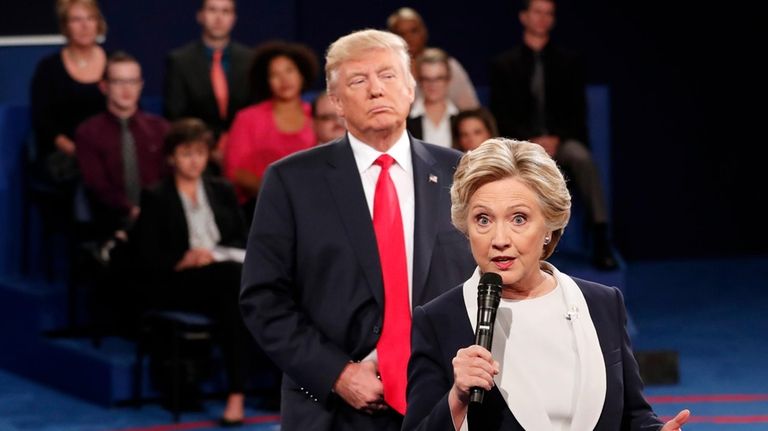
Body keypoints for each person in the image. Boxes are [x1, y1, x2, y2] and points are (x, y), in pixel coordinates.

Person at [239, 29, 475, 431]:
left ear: (410, 87)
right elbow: (264, 299)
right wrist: (337, 374)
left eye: (387, 75)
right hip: (332, 410)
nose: (376, 90)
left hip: (447, 404)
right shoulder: (291, 181)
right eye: (358, 81)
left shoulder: (463, 174)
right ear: (335, 102)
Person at [402, 138, 691, 431]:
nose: (500, 239)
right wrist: (456, 398)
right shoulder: (439, 320)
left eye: (518, 219)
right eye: (483, 219)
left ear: (549, 226)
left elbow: (633, 416)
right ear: (467, 228)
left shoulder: (602, 304)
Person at [131, 118, 252, 426]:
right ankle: (239, 393)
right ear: (172, 158)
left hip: (222, 277)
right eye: (186, 153)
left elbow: (241, 239)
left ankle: (237, 394)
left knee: (230, 294)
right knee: (233, 284)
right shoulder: (156, 196)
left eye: (200, 152)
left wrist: (212, 254)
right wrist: (185, 258)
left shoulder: (222, 190)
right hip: (178, 281)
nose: (194, 160)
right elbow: (146, 257)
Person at [490, 0, 618, 270]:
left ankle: (601, 237)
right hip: (521, 143)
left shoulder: (569, 62)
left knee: (582, 159)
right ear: (524, 16)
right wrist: (531, 141)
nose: (543, 18)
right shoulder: (503, 64)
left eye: (549, 13)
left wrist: (555, 138)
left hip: (562, 140)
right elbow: (501, 115)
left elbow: (577, 111)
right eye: (537, 12)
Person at [75, 51, 169, 245]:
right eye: (118, 82)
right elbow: (98, 186)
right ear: (104, 86)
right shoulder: (88, 132)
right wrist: (130, 210)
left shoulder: (161, 129)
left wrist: (152, 212)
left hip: (159, 220)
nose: (127, 89)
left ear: (141, 85)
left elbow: (169, 178)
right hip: (111, 222)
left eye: (133, 81)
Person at [29, 0, 107, 227]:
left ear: (98, 24)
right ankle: (89, 242)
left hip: (109, 152)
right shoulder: (49, 69)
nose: (84, 26)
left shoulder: (115, 64)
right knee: (88, 173)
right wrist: (75, 149)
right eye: (76, 20)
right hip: (66, 155)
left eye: (90, 19)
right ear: (65, 26)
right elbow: (43, 120)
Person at [223, 40, 318, 216]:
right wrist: (276, 195)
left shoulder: (317, 116)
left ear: (301, 74)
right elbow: (235, 172)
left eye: (289, 70)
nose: (284, 80)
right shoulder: (248, 118)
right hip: (260, 207)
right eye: (275, 74)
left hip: (312, 205)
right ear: (266, 81)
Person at [163, 0, 253, 171]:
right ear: (200, 16)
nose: (218, 18)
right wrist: (210, 146)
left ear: (234, 18)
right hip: (197, 154)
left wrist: (233, 144)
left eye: (225, 11)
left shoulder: (250, 60)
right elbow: (175, 115)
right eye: (212, 10)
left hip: (244, 152)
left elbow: (255, 111)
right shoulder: (180, 61)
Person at [387, 7, 479, 111]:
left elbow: (471, 110)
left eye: (414, 31)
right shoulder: (387, 72)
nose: (408, 38)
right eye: (401, 33)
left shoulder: (448, 66)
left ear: (424, 33)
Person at [406, 47, 458, 148]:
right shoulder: (406, 122)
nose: (433, 85)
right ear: (419, 81)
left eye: (439, 78)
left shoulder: (461, 119)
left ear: (448, 79)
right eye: (426, 79)